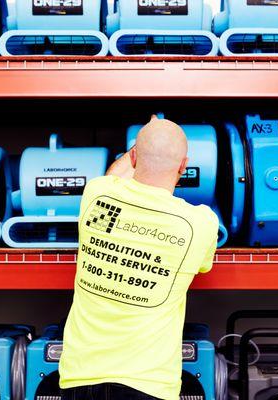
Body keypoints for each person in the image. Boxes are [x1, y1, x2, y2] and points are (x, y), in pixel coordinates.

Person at [59, 115, 219, 400]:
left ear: (132, 156)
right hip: (148, 384)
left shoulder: (97, 194)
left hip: (79, 378)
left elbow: (116, 176)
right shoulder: (200, 224)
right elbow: (204, 266)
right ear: (184, 166)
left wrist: (146, 137)